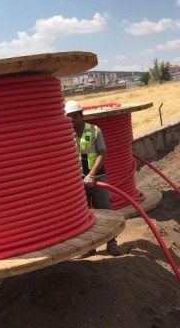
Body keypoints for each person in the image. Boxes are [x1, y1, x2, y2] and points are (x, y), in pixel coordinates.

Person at [64, 100, 121, 257]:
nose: (72, 120)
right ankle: (90, 247)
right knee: (84, 214)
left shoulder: (94, 130)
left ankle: (112, 243)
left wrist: (91, 174)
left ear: (81, 116)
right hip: (78, 182)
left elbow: (102, 153)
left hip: (97, 178)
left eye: (75, 116)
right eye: (69, 117)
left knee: (106, 210)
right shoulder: (66, 135)